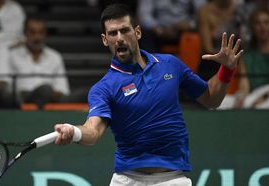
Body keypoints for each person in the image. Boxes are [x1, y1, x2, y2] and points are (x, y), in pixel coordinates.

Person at [52, 4, 243, 186]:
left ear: (137, 32)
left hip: (173, 179)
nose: (119, 38)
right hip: (127, 179)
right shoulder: (103, 88)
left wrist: (226, 70)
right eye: (112, 33)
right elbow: (93, 132)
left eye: (125, 30)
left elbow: (211, 99)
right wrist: (74, 131)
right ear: (105, 40)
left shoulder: (170, 64)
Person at [8, 16, 70, 108]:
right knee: (45, 89)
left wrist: (51, 95)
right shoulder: (12, 55)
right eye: (32, 32)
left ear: (45, 34)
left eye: (41, 32)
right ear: (25, 33)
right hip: (23, 99)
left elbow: (62, 90)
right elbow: (7, 89)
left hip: (49, 99)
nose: (37, 37)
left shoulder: (55, 57)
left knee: (87, 93)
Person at [197, 0, 237, 81]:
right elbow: (208, 48)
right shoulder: (205, 12)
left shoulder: (238, 9)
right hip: (213, 61)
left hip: (235, 58)